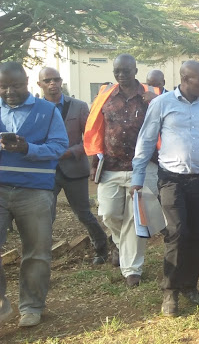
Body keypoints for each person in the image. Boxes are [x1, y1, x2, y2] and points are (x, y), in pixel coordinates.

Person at [131, 61, 199, 317]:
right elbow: (145, 141)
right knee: (177, 232)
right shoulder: (162, 104)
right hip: (171, 180)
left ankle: (190, 285)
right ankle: (170, 292)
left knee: (197, 234)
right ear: (185, 79)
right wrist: (137, 176)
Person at [83, 54, 165, 287]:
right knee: (109, 213)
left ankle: (132, 269)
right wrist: (94, 159)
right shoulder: (106, 96)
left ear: (135, 70)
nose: (121, 75)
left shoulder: (152, 96)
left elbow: (167, 124)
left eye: (126, 70)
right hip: (110, 167)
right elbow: (96, 127)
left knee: (135, 218)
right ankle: (120, 244)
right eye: (117, 70)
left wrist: (154, 102)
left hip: (143, 167)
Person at [0, 62, 68, 328]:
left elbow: (59, 146)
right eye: (3, 86)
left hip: (35, 191)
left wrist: (28, 147)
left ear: (27, 82)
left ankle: (31, 306)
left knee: (37, 252)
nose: (9, 92)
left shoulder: (48, 111)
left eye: (15, 86)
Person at [38, 67, 109, 264]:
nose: (52, 83)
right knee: (45, 216)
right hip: (46, 170)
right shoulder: (36, 108)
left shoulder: (78, 106)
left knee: (83, 213)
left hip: (74, 168)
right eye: (47, 80)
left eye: (56, 79)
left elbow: (90, 138)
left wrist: (71, 152)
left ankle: (102, 248)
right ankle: (42, 257)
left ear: (61, 82)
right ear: (40, 84)